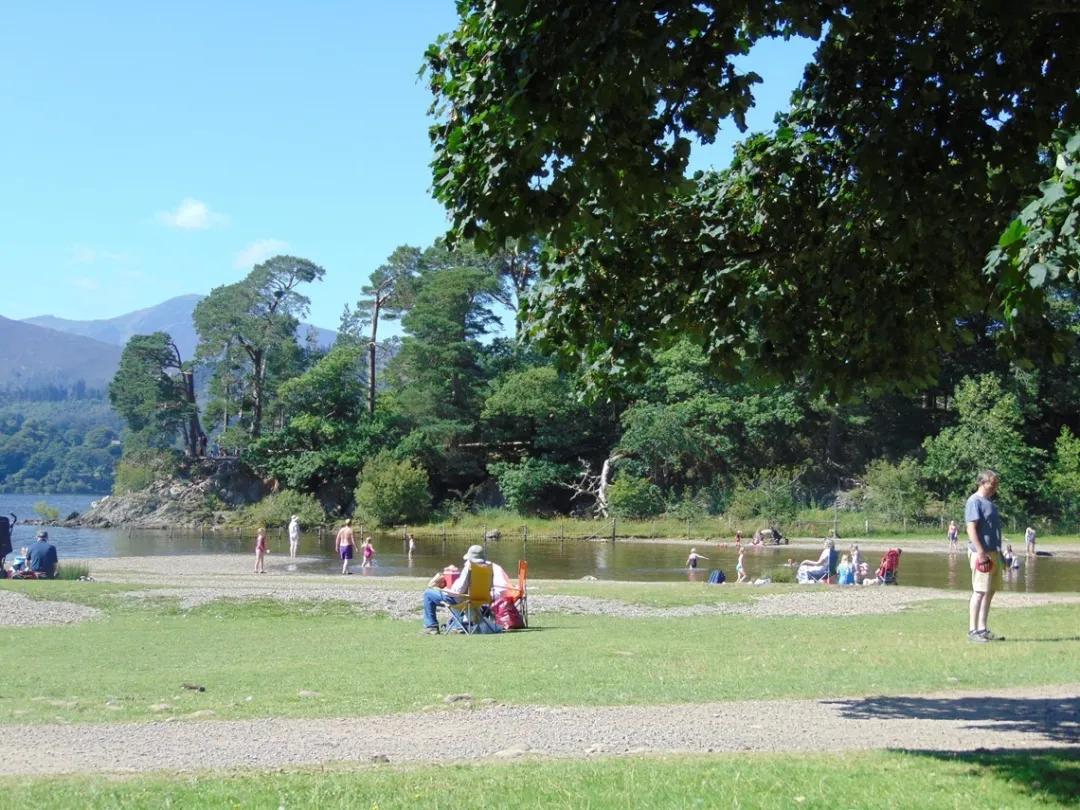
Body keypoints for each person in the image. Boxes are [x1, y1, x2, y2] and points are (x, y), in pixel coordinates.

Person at [421, 544, 508, 634]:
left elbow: (458, 591)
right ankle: (458, 626)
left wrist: (444, 589)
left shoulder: (470, 568)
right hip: (481, 600)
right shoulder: (488, 568)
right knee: (456, 597)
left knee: (428, 594)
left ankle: (431, 627)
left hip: (464, 600)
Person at [965, 470, 1005, 642]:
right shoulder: (974, 501)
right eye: (992, 483)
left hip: (993, 552)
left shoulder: (990, 503)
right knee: (979, 591)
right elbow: (971, 528)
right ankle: (972, 631)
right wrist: (980, 553)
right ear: (982, 482)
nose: (995, 487)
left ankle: (982, 629)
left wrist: (1000, 553)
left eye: (996, 483)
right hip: (981, 553)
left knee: (990, 591)